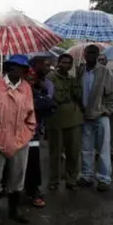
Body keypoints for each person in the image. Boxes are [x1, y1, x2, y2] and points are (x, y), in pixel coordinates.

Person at [0, 54, 36, 225]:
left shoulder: (26, 88)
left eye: (20, 67)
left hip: (20, 141)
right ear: (7, 67)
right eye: (13, 66)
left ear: (24, 70)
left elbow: (30, 115)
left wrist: (26, 136)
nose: (16, 69)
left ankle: (14, 210)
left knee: (17, 178)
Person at [77, 45, 113, 192]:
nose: (91, 56)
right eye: (88, 53)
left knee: (103, 149)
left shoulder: (105, 72)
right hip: (84, 115)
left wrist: (106, 111)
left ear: (98, 55)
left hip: (101, 116)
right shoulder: (80, 71)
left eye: (94, 53)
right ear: (84, 54)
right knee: (86, 148)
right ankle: (87, 176)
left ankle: (104, 178)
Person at [47, 54, 83, 191]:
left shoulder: (73, 79)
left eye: (69, 63)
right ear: (58, 63)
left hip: (74, 119)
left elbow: (79, 96)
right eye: (63, 62)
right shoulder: (51, 78)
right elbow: (55, 97)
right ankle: (54, 180)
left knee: (73, 152)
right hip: (56, 119)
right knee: (55, 153)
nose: (66, 65)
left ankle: (71, 179)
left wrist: (78, 80)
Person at [24, 56, 56, 208]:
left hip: (32, 132)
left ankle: (33, 191)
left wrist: (39, 90)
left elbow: (49, 105)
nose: (46, 67)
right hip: (14, 133)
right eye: (43, 64)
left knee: (33, 162)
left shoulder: (42, 88)